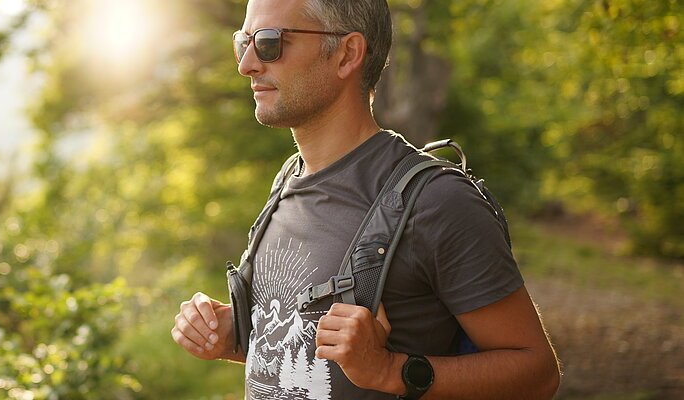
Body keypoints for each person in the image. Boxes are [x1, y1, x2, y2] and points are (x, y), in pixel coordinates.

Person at [169, 0, 561, 398]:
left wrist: (390, 369)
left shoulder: (437, 201)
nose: (247, 64)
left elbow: (538, 373)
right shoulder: (289, 178)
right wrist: (230, 336)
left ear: (347, 54)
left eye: (270, 42)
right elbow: (310, 358)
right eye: (244, 42)